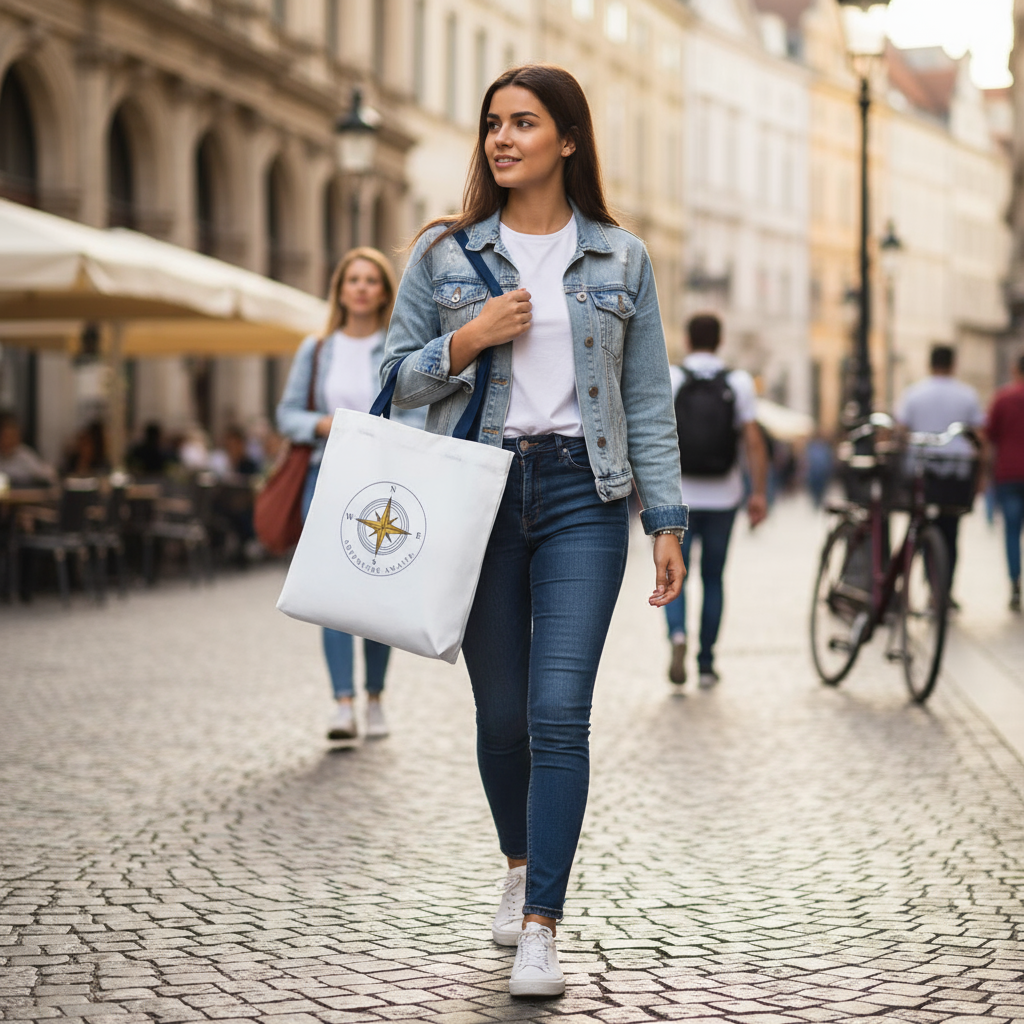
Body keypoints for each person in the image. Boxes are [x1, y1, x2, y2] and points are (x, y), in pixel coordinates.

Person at [381, 64, 687, 998]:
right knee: (502, 716)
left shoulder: (620, 258)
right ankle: (517, 861)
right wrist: (468, 339)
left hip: (581, 498)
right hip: (479, 495)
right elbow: (394, 379)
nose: (502, 139)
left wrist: (665, 519)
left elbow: (645, 401)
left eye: (523, 123)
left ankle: (543, 927)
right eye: (492, 125)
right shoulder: (443, 256)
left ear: (568, 139)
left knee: (558, 714)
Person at [277, 247, 423, 742]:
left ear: (384, 292)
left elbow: (416, 412)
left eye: (370, 280)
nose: (360, 287)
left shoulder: (396, 348)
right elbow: (287, 415)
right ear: (339, 289)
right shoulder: (316, 349)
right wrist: (326, 423)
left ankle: (376, 697)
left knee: (377, 596)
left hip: (382, 481)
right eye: (352, 279)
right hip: (325, 478)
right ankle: (343, 703)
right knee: (331, 598)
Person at [663, 314, 768, 689]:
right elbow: (753, 441)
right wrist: (758, 492)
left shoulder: (673, 378)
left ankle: (677, 634)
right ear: (720, 340)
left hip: (679, 498)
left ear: (687, 340)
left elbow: (654, 435)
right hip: (724, 496)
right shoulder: (737, 382)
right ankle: (706, 663)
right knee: (713, 579)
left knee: (675, 575)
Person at [895, 344, 984, 606]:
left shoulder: (914, 393)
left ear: (929, 363)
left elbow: (901, 429)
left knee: (918, 525)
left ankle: (916, 586)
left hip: (920, 470)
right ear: (953, 364)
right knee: (951, 532)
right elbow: (978, 436)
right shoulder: (967, 395)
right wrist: (982, 474)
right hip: (955, 472)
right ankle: (942, 591)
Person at [986, 352, 1024, 612]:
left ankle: (1014, 584)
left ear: (1014, 369)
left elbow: (989, 435)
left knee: (1012, 532)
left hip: (1009, 473)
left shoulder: (1003, 398)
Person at [0, 413, 57, 486]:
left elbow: (47, 475)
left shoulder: (25, 455)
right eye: (6, 437)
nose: (8, 441)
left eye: (12, 437)